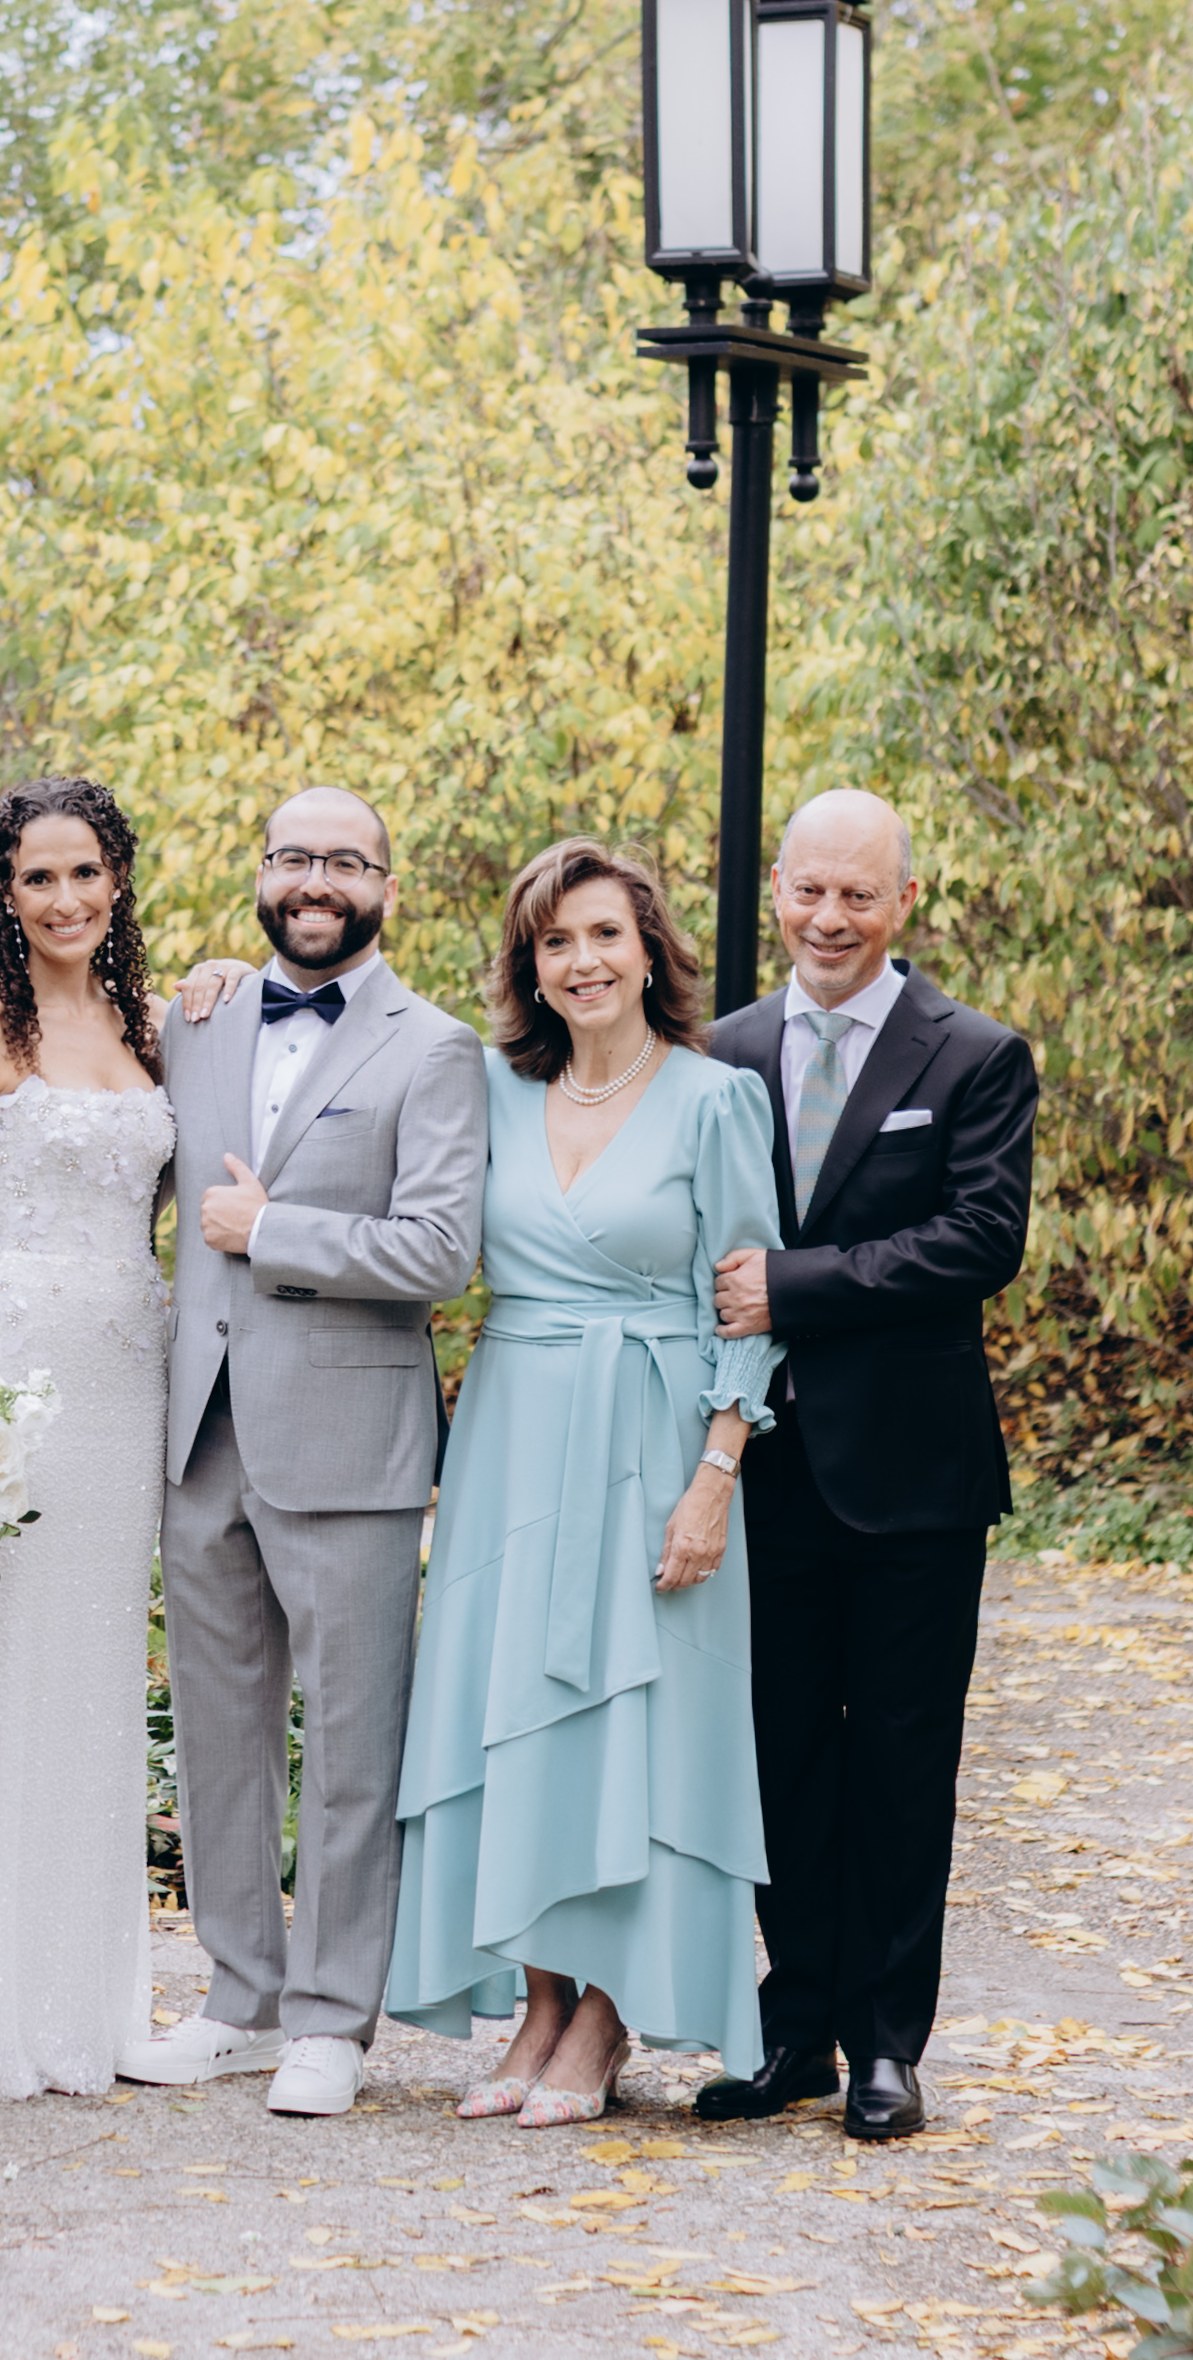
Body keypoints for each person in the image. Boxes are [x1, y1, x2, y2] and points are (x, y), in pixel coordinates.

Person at [384, 840, 781, 2128]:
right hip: (511, 1430)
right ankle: (539, 2004)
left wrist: (715, 1474)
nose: (582, 961)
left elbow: (751, 1304)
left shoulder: (716, 1099)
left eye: (605, 934)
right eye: (555, 941)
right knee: (517, 1712)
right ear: (530, 967)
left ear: (649, 950)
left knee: (640, 1721)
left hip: (655, 1432)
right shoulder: (492, 1091)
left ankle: (608, 2018)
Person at [122, 785, 490, 2118]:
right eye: (293, 857)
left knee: (348, 1744)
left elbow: (442, 1251)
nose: (315, 879)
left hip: (348, 1439)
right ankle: (239, 1998)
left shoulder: (434, 1048)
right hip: (199, 1431)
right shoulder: (198, 1016)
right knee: (217, 1735)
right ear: (262, 873)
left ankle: (333, 2018)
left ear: (386, 884)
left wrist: (272, 1231)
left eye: (344, 860)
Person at [699, 787, 1038, 2136]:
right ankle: (794, 2033)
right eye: (808, 891)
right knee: (779, 1758)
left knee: (902, 1762)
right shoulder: (719, 1051)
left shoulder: (975, 1056)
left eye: (857, 894)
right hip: (764, 1467)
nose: (828, 919)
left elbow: (979, 1241)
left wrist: (794, 1284)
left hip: (913, 1477)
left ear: (905, 900)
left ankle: (889, 2043)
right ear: (776, 891)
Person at [0, 776, 176, 2102]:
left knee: (98, 1669)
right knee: (7, 1662)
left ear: (117, 881)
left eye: (84, 872)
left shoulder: (156, 1024)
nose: (64, 899)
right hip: (12, 1375)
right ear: (4, 895)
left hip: (129, 1377)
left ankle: (88, 2005)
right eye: (37, 877)